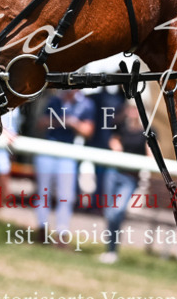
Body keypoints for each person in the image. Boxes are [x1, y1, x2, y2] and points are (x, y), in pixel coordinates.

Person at [33, 90, 95, 247]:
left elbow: (88, 131)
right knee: (43, 192)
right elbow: (40, 123)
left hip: (68, 151)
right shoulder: (54, 100)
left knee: (66, 195)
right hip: (49, 148)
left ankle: (61, 233)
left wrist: (73, 123)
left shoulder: (86, 104)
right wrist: (61, 121)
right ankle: (42, 229)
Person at [98, 102, 146, 264]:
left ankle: (112, 250)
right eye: (130, 108)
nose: (132, 112)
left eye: (135, 109)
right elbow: (113, 141)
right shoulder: (119, 126)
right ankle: (111, 250)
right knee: (109, 213)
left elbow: (151, 153)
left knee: (116, 211)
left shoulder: (148, 131)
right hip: (113, 173)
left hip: (130, 178)